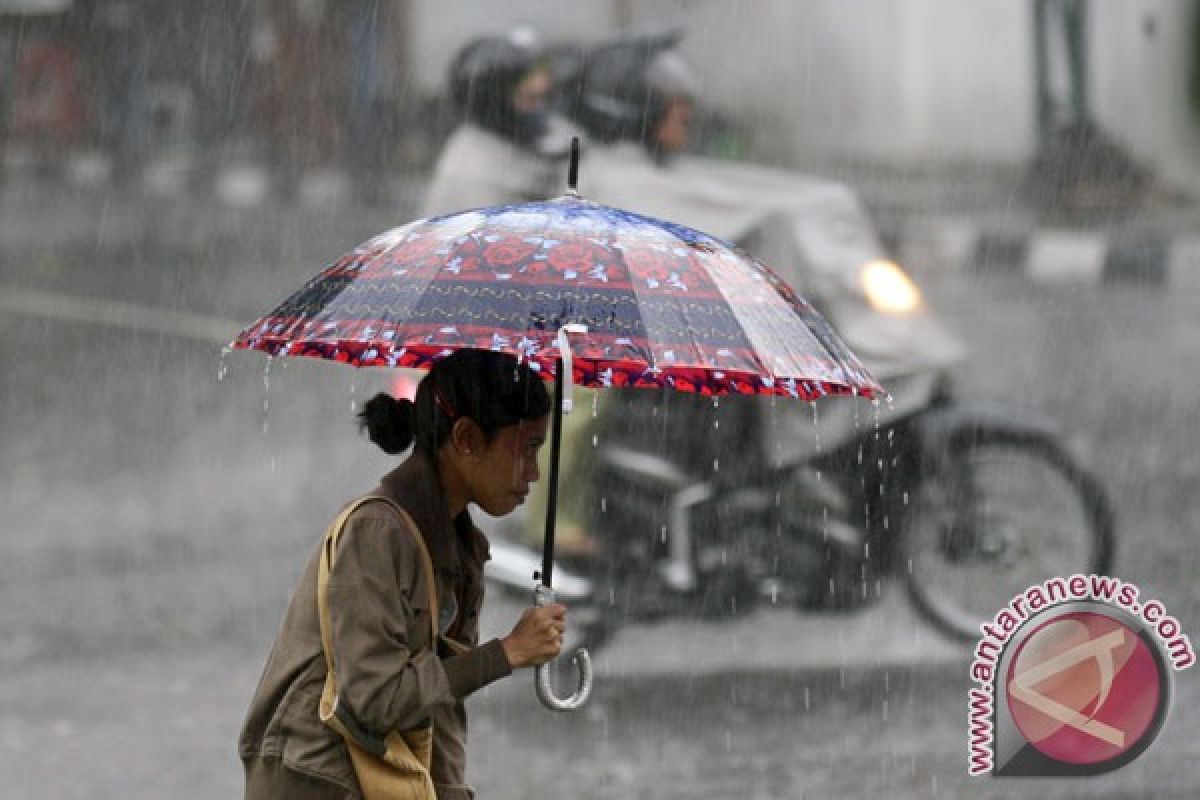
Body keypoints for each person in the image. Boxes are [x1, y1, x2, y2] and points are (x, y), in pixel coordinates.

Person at [239, 349, 566, 800]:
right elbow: (376, 699)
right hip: (316, 780)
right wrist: (505, 653)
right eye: (526, 448)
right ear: (467, 438)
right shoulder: (376, 533)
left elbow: (440, 707)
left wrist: (451, 792)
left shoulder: (461, 548)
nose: (534, 473)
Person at [421, 28, 572, 217]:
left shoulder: (505, 143)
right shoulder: (474, 173)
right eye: (528, 99)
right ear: (494, 101)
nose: (538, 112)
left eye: (541, 99)